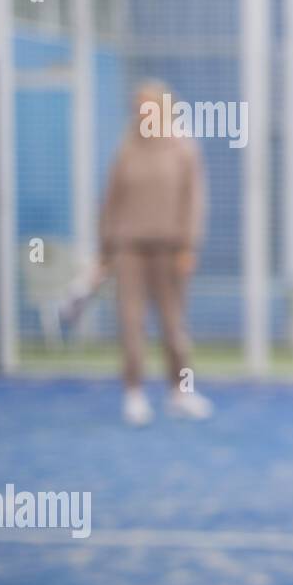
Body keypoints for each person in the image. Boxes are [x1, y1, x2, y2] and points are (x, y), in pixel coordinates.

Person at [98, 79, 214, 426]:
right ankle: (134, 395)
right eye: (138, 104)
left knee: (173, 324)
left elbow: (193, 200)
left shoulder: (184, 149)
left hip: (170, 249)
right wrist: (105, 248)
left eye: (148, 104)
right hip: (128, 248)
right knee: (131, 322)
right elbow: (111, 201)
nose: (141, 110)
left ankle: (181, 392)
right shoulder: (126, 150)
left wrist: (188, 246)